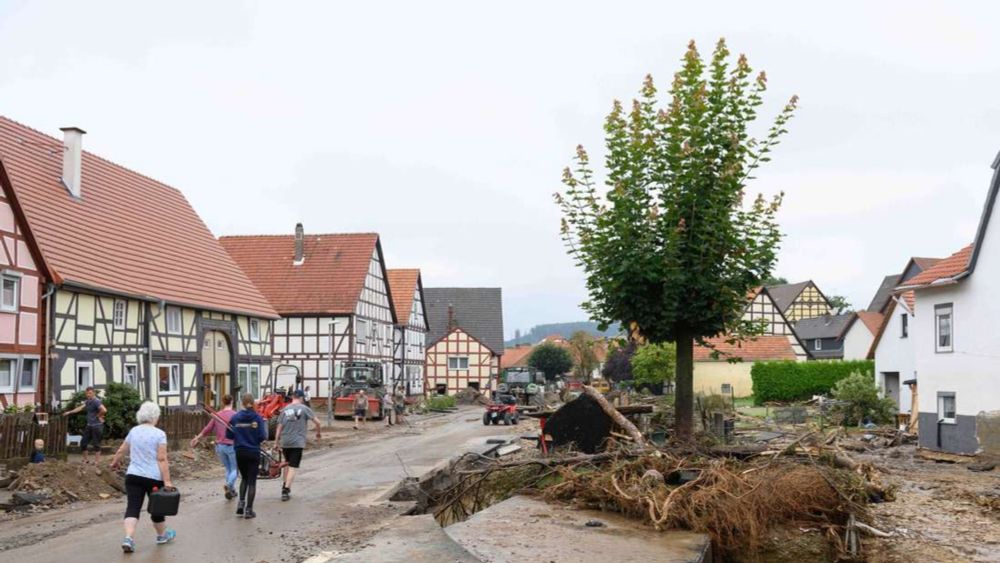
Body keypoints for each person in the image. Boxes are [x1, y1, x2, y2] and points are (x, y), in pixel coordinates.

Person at [110, 401, 176, 553]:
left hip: (133, 475)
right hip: (153, 477)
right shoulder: (160, 434)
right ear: (155, 416)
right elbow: (162, 458)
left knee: (133, 508)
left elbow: (122, 450)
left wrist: (114, 463)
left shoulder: (134, 431)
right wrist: (167, 480)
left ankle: (128, 538)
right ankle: (161, 536)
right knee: (156, 509)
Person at [273, 390, 321, 501]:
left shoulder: (284, 410)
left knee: (287, 463)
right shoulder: (305, 409)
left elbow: (279, 427)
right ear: (301, 398)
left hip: (285, 441)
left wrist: (276, 442)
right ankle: (286, 490)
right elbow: (318, 422)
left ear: (293, 397)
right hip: (298, 442)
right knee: (293, 466)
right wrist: (318, 433)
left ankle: (285, 485)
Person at [227, 392, 267, 519]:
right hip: (253, 451)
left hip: (240, 451)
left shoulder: (235, 418)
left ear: (242, 403)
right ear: (253, 403)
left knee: (244, 478)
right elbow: (262, 436)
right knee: (252, 481)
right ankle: (249, 510)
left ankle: (241, 503)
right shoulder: (257, 418)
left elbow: (229, 435)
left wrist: (239, 434)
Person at [190, 394, 237, 500]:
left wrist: (198, 438)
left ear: (222, 402)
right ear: (232, 402)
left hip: (220, 446)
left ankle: (232, 490)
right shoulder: (235, 415)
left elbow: (208, 428)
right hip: (232, 446)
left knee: (228, 469)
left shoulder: (217, 415)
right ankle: (229, 485)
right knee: (234, 469)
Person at [64, 386, 107, 464]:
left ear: (94, 393)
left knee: (96, 444)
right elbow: (80, 408)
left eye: (90, 393)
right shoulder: (88, 401)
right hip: (89, 425)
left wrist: (98, 416)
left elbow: (104, 410)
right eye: (87, 393)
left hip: (97, 426)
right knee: (83, 443)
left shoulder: (96, 401)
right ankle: (86, 460)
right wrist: (69, 412)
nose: (88, 395)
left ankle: (97, 461)